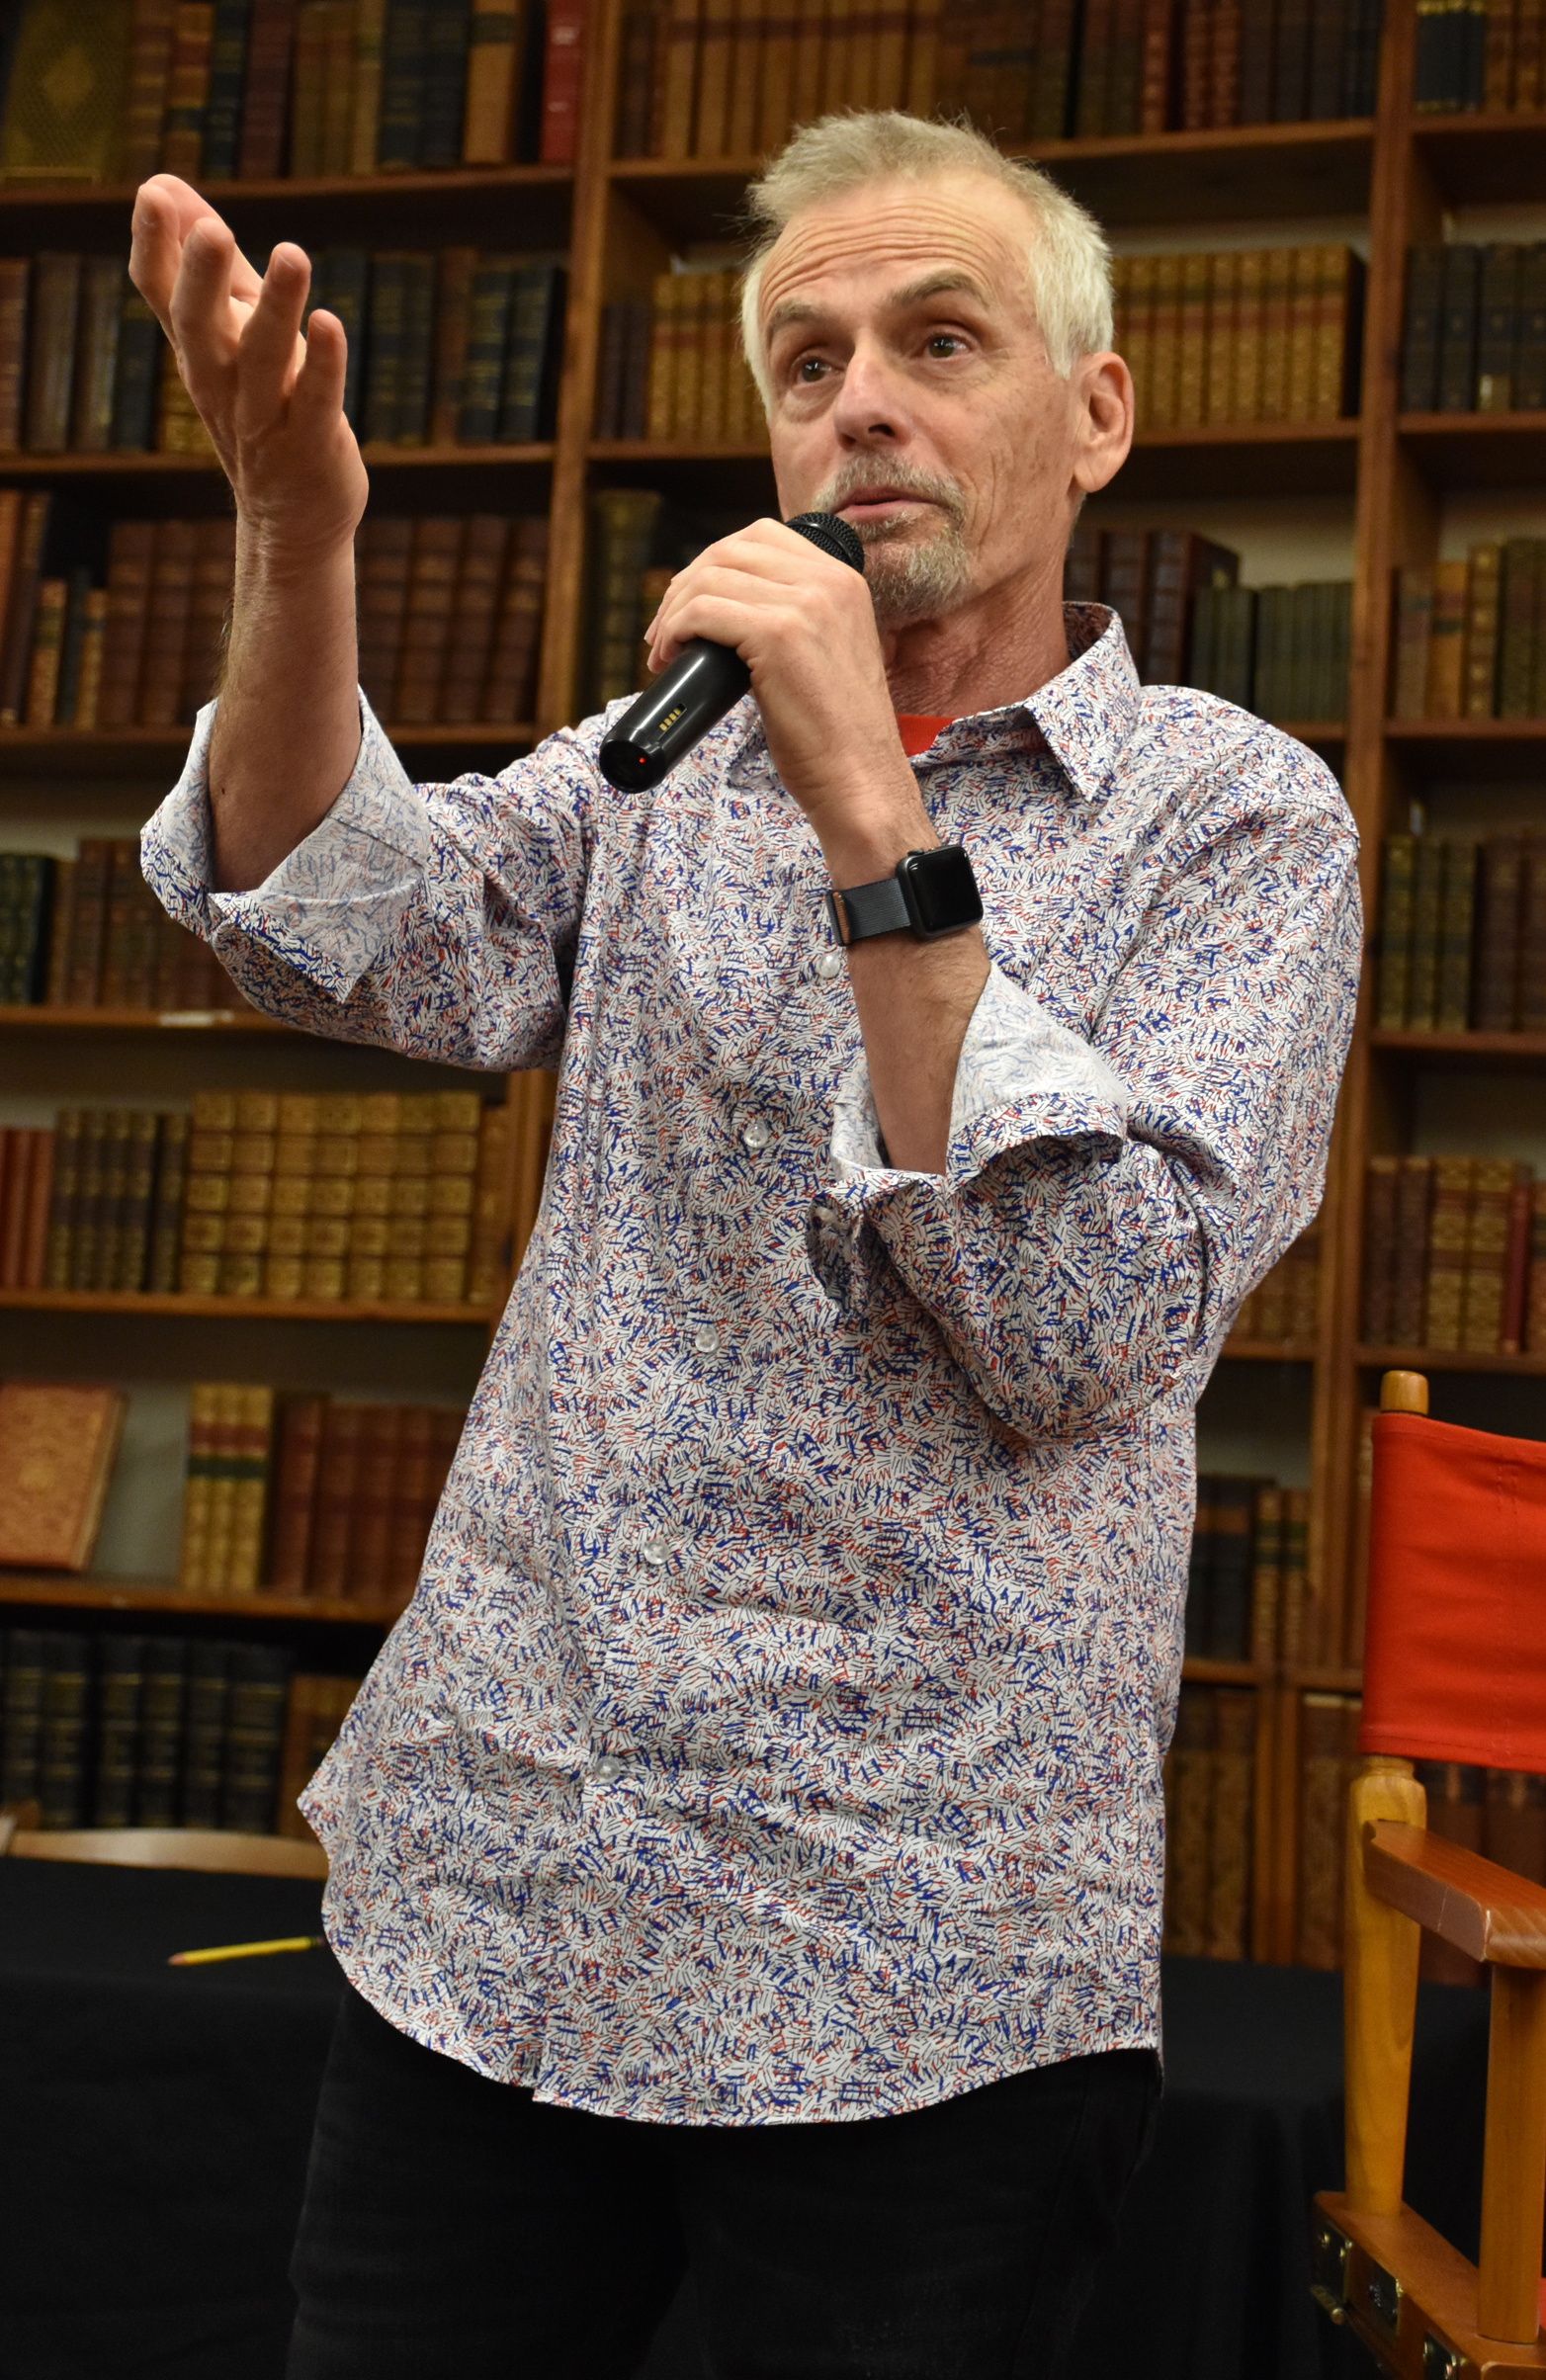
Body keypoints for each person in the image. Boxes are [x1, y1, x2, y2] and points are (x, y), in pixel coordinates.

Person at [130, 110, 1360, 2380]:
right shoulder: (656, 769)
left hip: (917, 1963)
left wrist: (868, 807)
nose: (857, 402)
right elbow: (339, 924)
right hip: (512, 1884)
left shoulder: (1234, 821)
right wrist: (297, 537)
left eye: (936, 342)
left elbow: (1084, 1327)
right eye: (806, 363)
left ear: (1094, 413)